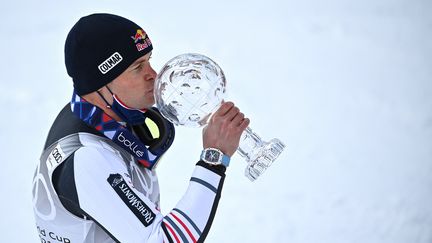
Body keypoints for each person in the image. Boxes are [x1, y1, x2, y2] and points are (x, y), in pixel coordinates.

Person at [31, 13, 249, 243]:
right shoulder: (87, 159)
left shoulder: (101, 116)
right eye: (137, 68)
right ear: (101, 82)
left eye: (149, 61)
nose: (153, 76)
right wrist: (213, 158)